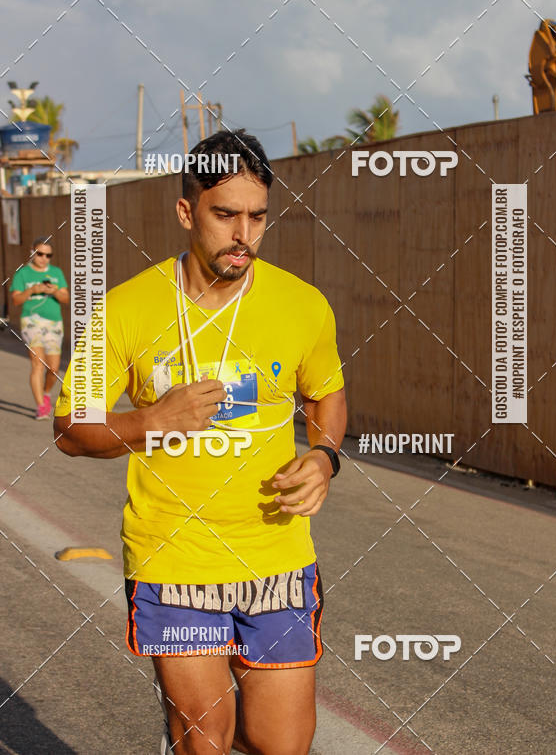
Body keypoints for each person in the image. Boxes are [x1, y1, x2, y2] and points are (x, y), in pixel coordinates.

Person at [54, 129, 347, 755]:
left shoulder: (302, 305)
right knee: (204, 736)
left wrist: (324, 456)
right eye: (225, 215)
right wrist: (151, 419)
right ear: (187, 211)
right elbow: (72, 429)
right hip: (173, 558)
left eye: (257, 216)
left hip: (276, 557)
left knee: (280, 744)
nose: (243, 233)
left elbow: (326, 393)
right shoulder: (126, 310)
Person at [10, 236, 69, 419]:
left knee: (53, 368)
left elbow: (66, 299)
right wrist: (32, 291)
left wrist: (54, 291)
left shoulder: (56, 273)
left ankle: (46, 392)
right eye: (40, 253)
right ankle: (41, 406)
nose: (44, 258)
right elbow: (15, 300)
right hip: (31, 321)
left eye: (48, 255)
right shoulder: (23, 274)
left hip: (53, 324)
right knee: (38, 364)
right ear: (32, 252)